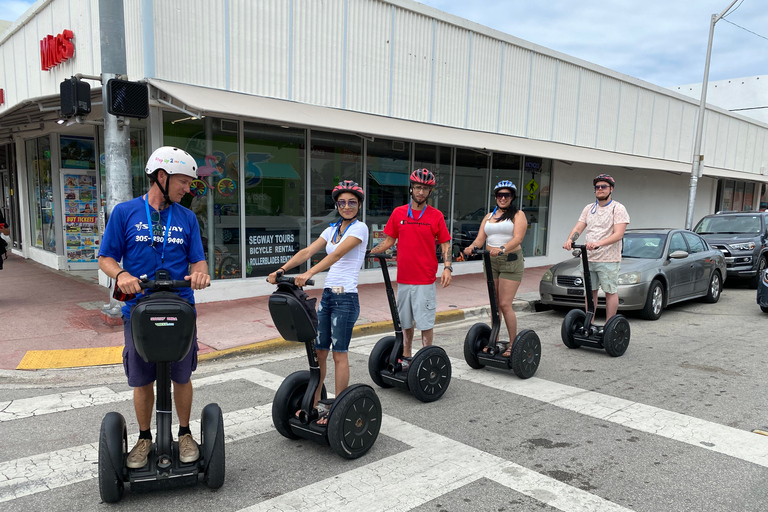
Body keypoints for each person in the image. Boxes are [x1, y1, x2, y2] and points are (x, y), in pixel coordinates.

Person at [98, 146, 210, 469]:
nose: (188, 189)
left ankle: (185, 433)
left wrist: (200, 273)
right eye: (183, 182)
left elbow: (198, 260)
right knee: (142, 378)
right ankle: (145, 437)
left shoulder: (187, 218)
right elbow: (106, 258)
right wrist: (122, 275)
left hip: (180, 308)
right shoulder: (125, 213)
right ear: (162, 177)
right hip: (138, 310)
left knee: (181, 375)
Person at [268, 180, 368, 425]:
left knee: (339, 354)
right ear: (336, 204)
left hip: (346, 298)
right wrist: (281, 269)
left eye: (352, 202)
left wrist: (309, 274)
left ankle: (338, 408)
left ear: (358, 205)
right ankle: (314, 405)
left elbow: (336, 255)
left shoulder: (360, 229)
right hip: (329, 297)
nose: (346, 206)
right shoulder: (332, 229)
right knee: (319, 352)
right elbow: (307, 252)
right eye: (342, 202)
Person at [370, 168, 452, 358]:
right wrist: (368, 254)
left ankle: (425, 357)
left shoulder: (436, 215)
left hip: (425, 279)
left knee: (425, 323)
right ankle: (406, 355)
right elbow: (389, 240)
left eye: (425, 188)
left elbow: (445, 244)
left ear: (430, 192)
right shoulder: (399, 213)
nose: (421, 192)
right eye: (417, 187)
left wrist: (447, 267)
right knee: (405, 323)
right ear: (411, 189)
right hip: (405, 279)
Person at [463, 180, 527, 356]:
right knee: (494, 305)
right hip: (491, 261)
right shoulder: (488, 216)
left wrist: (503, 248)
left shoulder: (518, 214)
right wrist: (471, 247)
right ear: (496, 197)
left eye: (507, 195)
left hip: (510, 260)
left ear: (512, 197)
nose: (503, 198)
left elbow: (518, 238)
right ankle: (494, 341)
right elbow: (480, 239)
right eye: (500, 195)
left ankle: (514, 343)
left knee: (505, 304)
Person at [563, 173, 630, 324]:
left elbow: (619, 234)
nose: (600, 189)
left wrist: (599, 243)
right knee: (590, 292)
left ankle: (610, 325)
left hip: (609, 259)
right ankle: (589, 322)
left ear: (611, 189)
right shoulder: (588, 208)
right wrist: (569, 240)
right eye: (597, 187)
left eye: (603, 187)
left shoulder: (618, 208)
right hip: (588, 258)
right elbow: (579, 227)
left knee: (609, 291)